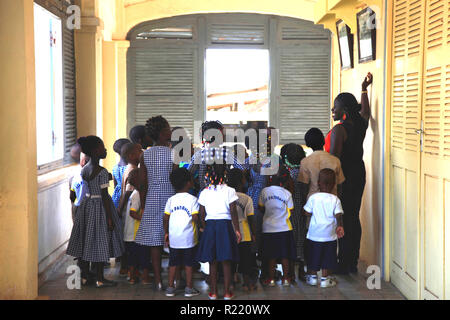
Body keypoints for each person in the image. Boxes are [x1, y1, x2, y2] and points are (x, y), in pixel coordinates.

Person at [66, 136, 124, 288]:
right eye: (102, 148)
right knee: (100, 241)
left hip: (85, 207)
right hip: (100, 209)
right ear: (94, 151)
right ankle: (100, 278)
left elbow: (74, 194)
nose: (105, 150)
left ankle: (84, 276)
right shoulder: (102, 172)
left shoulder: (84, 170)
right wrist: (110, 218)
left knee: (86, 241)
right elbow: (104, 197)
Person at [330, 72, 373, 274]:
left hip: (344, 175)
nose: (332, 109)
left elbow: (334, 159)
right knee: (353, 216)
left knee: (343, 217)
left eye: (335, 107)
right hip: (359, 171)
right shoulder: (361, 124)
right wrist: (364, 88)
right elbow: (365, 111)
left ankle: (342, 262)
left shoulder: (340, 130)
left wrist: (332, 182)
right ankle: (352, 261)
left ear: (344, 110)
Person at [135, 116, 176, 289]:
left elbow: (142, 183)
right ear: (162, 133)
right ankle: (174, 280)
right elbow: (176, 178)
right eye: (168, 127)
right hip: (170, 197)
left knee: (154, 242)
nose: (171, 129)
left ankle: (158, 280)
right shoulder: (173, 153)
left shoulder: (145, 155)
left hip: (152, 198)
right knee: (175, 238)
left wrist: (143, 205)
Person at [196, 163, 241, 300]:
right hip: (225, 226)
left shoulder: (205, 192)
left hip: (211, 226)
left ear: (209, 177)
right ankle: (227, 292)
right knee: (226, 261)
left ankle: (214, 292)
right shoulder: (230, 191)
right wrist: (237, 230)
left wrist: (204, 226)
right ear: (225, 176)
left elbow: (201, 213)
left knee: (212, 261)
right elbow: (233, 211)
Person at [303, 169, 344, 288]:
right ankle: (326, 279)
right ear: (334, 184)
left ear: (318, 183)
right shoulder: (335, 199)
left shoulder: (313, 197)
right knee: (328, 257)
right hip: (329, 235)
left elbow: (306, 212)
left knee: (313, 255)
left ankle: (312, 277)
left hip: (314, 234)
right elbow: (338, 215)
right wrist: (340, 226)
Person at [163, 168, 201, 298]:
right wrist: (200, 225)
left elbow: (166, 218)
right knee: (189, 264)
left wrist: (166, 233)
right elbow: (195, 218)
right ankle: (189, 288)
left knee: (173, 263)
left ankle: (170, 288)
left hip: (174, 238)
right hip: (188, 238)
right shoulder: (193, 199)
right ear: (188, 183)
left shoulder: (171, 200)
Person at [258, 165, 295, 287]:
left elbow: (261, 207)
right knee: (285, 255)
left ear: (270, 178)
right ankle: (286, 278)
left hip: (268, 228)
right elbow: (291, 210)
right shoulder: (287, 193)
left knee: (271, 255)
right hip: (284, 228)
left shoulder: (264, 191)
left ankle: (271, 279)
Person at [188, 121, 246, 194]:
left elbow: (188, 174)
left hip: (204, 195)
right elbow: (242, 169)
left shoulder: (198, 155)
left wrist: (196, 182)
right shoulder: (227, 153)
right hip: (224, 194)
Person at [280, 143, 306, 282]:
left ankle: (289, 273)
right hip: (301, 212)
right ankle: (302, 270)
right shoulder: (304, 173)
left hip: (288, 213)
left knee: (290, 241)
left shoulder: (286, 175)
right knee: (301, 240)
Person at [227, 168, 257, 292]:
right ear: (242, 182)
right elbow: (250, 218)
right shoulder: (246, 198)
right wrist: (254, 233)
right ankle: (246, 284)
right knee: (246, 260)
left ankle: (232, 283)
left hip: (229, 232)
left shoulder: (226, 197)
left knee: (231, 259)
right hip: (244, 234)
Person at [298, 128, 345, 200]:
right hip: (332, 202)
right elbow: (340, 186)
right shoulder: (335, 161)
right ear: (323, 141)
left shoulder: (305, 162)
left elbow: (304, 188)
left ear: (307, 144)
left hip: (313, 203)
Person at [119, 168, 142, 285]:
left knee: (133, 256)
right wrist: (144, 219)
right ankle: (132, 276)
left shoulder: (134, 194)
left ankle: (133, 274)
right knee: (133, 256)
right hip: (133, 233)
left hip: (130, 232)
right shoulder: (137, 194)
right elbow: (133, 213)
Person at [69, 146, 90, 222]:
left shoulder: (76, 176)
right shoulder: (98, 175)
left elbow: (72, 195)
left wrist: (76, 203)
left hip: (78, 206)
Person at [111, 138, 131, 209]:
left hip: (116, 197)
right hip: (127, 197)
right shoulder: (130, 167)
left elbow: (115, 185)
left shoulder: (115, 168)